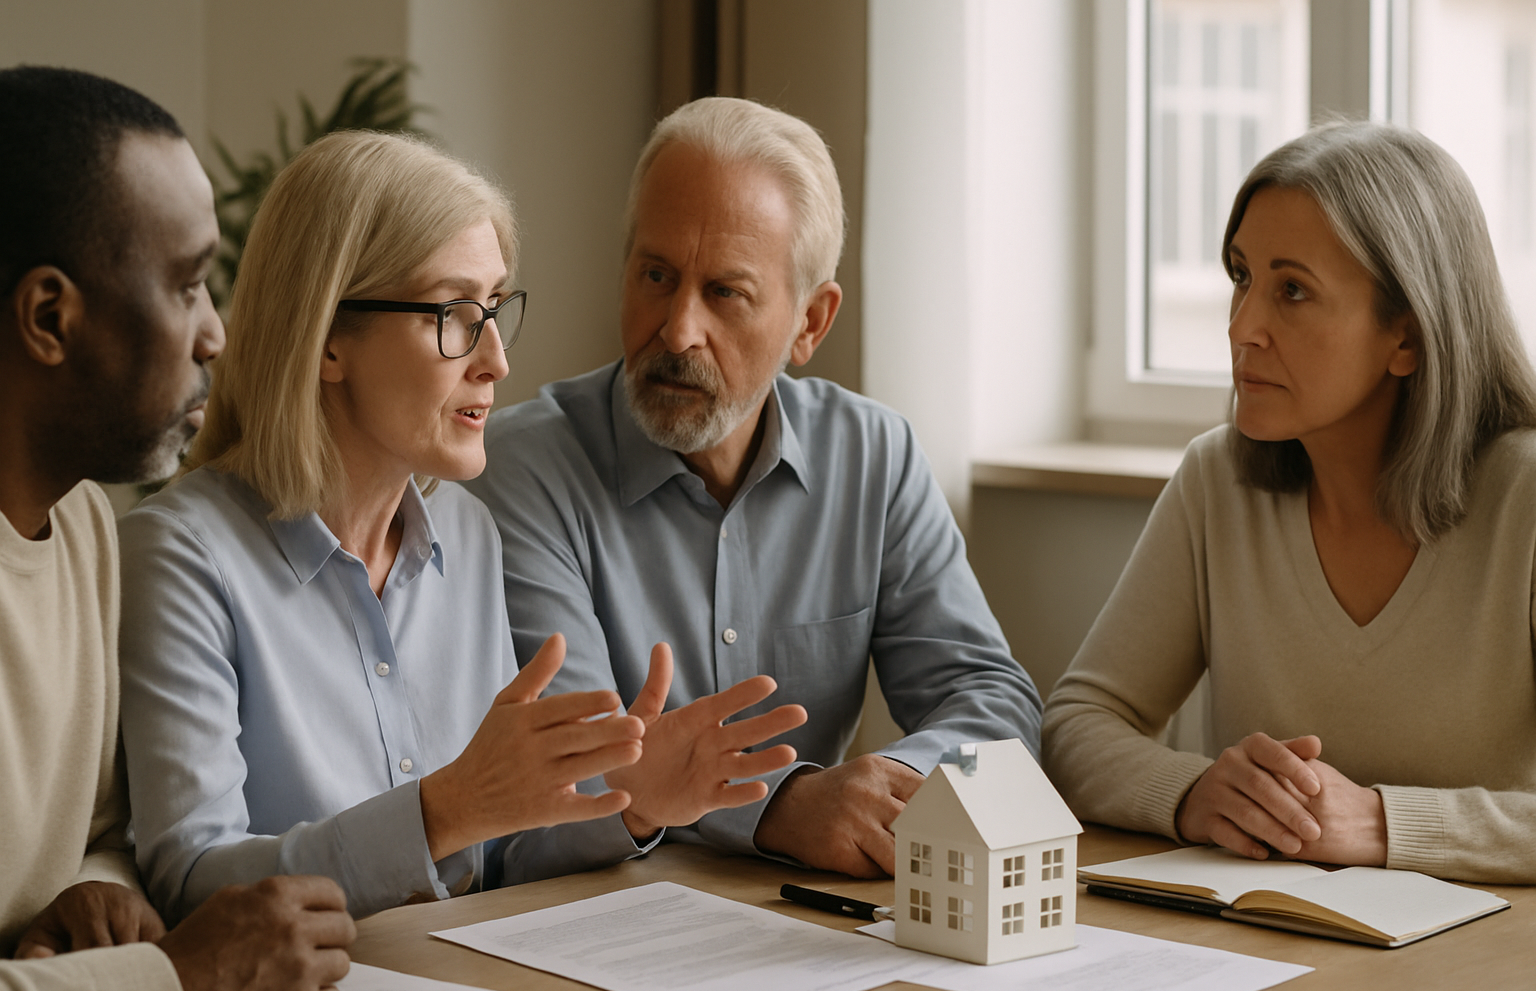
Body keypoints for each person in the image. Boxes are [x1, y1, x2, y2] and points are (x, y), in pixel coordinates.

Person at [117, 128, 806, 924]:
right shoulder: (180, 555)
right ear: (329, 338)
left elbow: (498, 853)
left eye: (493, 310)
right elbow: (192, 880)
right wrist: (440, 812)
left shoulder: (468, 537)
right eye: (452, 314)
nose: (494, 361)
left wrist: (633, 798)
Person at [464, 97, 1041, 879]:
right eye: (656, 276)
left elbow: (990, 697)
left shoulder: (875, 454)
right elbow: (576, 771)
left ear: (811, 322)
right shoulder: (523, 470)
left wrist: (892, 788)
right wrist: (782, 803)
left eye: (725, 292)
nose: (676, 331)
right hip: (602, 926)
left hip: (810, 927)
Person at [1042, 121, 1536, 884]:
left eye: (1293, 291)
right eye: (1241, 277)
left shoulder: (1526, 502)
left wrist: (1379, 823)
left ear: (1406, 336)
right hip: (1268, 955)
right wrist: (1193, 793)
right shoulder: (1215, 482)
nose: (1242, 329)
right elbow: (1077, 725)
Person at [0, 66, 353, 991]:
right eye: (189, 285)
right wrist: (177, 989)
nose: (217, 336)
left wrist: (93, 889)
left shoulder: (80, 525)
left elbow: (98, 830)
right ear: (49, 318)